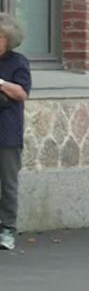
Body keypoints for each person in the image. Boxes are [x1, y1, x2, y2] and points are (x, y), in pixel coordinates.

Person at [0, 14, 31, 250]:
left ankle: (7, 229)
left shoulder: (18, 62)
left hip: (7, 133)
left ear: (8, 40)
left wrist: (0, 83)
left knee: (8, 184)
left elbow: (22, 93)